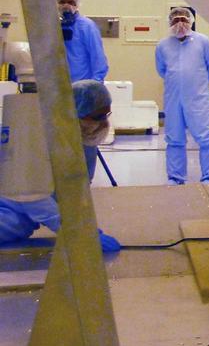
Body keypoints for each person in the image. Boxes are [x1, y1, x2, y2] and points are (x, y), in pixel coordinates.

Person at [0, 80, 121, 252]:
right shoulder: (35, 137)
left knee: (22, 224)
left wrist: (85, 228)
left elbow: (75, 192)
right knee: (16, 223)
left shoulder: (82, 142)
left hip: (21, 213)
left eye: (106, 116)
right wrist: (78, 232)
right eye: (98, 117)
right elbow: (32, 196)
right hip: (9, 208)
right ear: (75, 113)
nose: (103, 124)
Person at [155, 7, 209, 185]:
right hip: (173, 99)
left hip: (197, 99)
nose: (180, 24)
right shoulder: (163, 45)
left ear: (191, 22)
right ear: (170, 23)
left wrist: (195, 84)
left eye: (184, 19)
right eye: (175, 20)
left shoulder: (203, 42)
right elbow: (161, 70)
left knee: (206, 138)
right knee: (174, 138)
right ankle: (175, 178)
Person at [56, 0, 108, 82]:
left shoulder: (87, 26)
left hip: (82, 86)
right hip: (59, 87)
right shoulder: (53, 27)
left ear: (77, 4)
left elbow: (98, 58)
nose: (66, 6)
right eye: (62, 2)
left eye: (71, 2)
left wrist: (94, 85)